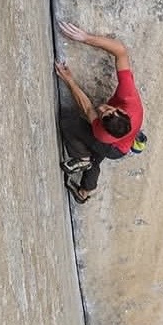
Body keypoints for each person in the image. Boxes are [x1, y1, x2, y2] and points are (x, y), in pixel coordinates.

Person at [54, 22, 146, 201]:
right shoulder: (130, 99)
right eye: (109, 109)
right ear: (123, 112)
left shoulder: (103, 134)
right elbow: (120, 51)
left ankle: (81, 157)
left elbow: (87, 108)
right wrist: (85, 37)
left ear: (103, 127)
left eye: (102, 114)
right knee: (96, 158)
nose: (102, 107)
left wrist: (69, 80)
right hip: (122, 146)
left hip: (114, 148)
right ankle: (85, 192)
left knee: (69, 122)